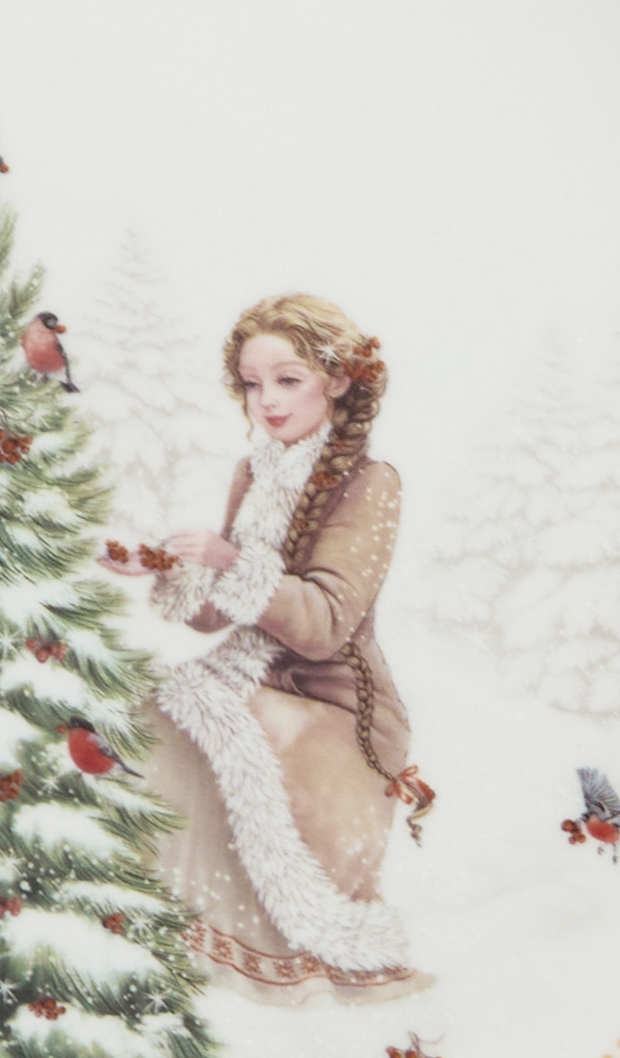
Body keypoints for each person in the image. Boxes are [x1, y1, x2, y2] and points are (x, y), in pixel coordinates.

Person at [133, 295, 427, 995]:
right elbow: (218, 620)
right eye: (251, 383)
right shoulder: (255, 473)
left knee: (237, 734)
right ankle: (162, 939)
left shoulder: (369, 483)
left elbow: (324, 624)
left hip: (340, 708)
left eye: (287, 380)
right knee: (148, 716)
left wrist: (232, 561)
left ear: (339, 380)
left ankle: (264, 971)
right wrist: (173, 568)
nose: (266, 400)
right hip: (249, 678)